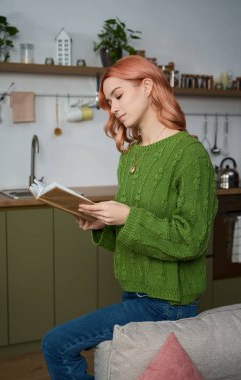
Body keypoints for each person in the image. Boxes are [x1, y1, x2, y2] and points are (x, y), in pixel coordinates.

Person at [42, 55, 217, 379]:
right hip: (133, 293)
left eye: (118, 95)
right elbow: (135, 236)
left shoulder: (189, 154)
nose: (114, 108)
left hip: (167, 303)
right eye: (109, 102)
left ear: (148, 86)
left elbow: (191, 240)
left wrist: (127, 216)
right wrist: (104, 225)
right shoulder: (131, 156)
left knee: (55, 344)